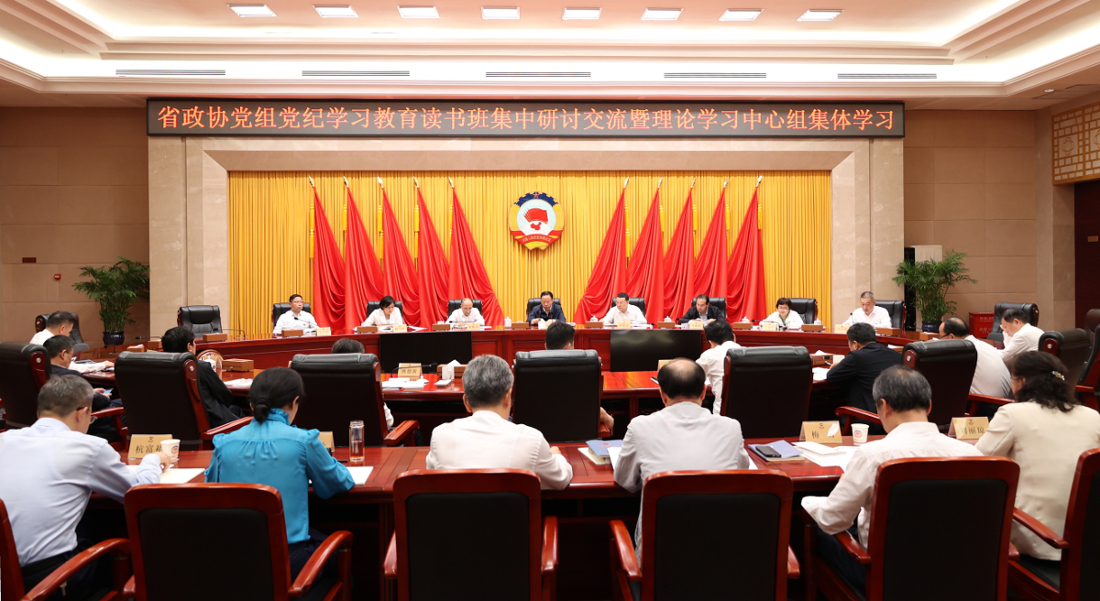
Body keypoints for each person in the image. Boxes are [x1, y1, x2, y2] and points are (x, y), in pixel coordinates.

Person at [802, 366, 982, 592]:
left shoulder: (873, 456)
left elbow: (832, 521)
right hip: (958, 573)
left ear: (884, 406)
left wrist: (810, 503)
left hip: (887, 576)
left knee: (818, 525)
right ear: (929, 406)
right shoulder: (973, 456)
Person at [0, 376, 168, 598]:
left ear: (39, 413)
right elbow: (140, 491)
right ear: (82, 413)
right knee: (111, 542)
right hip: (47, 583)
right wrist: (153, 459)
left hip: (4, 577)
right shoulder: (88, 446)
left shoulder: (4, 440)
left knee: (86, 524)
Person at [205, 368, 354, 579]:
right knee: (340, 558)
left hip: (232, 562)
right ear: (295, 402)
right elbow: (339, 483)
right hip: (289, 562)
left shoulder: (224, 443)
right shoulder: (303, 441)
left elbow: (210, 492)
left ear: (251, 404)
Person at [615, 359, 752, 555]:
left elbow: (625, 481)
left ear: (662, 394)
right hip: (722, 556)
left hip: (659, 562)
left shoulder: (639, 427)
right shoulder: (731, 427)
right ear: (704, 392)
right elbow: (741, 473)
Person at [976, 352, 1100, 563]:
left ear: (1022, 381)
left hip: (1041, 538)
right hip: (1089, 542)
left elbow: (979, 464)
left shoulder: (1012, 414)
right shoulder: (1092, 416)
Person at [425, 355, 572, 490]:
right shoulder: (533, 440)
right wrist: (557, 456)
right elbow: (561, 479)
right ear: (508, 397)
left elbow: (432, 477)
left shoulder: (440, 436)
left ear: (466, 402)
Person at [161, 327, 244, 428]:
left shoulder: (160, 369)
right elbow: (225, 396)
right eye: (194, 342)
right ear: (189, 347)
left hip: (179, 424)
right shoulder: (201, 367)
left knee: (235, 409)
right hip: (212, 425)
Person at [44, 335, 120, 442]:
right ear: (63, 354)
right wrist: (104, 397)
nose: (71, 360)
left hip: (56, 422)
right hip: (89, 423)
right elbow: (94, 402)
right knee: (128, 403)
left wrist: (90, 392)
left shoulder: (41, 373)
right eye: (71, 356)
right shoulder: (69, 375)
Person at [826, 323, 903, 425]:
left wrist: (842, 364)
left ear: (855, 344)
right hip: (896, 419)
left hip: (868, 420)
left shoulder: (857, 356)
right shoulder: (896, 355)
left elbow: (831, 376)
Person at [543, 322, 614, 432]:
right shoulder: (584, 372)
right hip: (580, 437)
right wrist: (608, 419)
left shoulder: (530, 369)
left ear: (545, 346)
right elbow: (590, 412)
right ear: (568, 347)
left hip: (539, 437)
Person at [938, 316, 1011, 399]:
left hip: (985, 403)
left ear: (952, 337)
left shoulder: (962, 351)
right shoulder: (984, 345)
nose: (940, 340)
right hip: (1003, 400)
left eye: (941, 337)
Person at [330, 338, 393, 429]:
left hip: (328, 437)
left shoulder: (320, 383)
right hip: (368, 437)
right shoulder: (368, 383)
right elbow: (388, 422)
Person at [31, 311, 112, 373]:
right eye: (69, 332)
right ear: (62, 329)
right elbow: (70, 368)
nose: (68, 335)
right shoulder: (50, 342)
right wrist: (102, 365)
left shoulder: (38, 336)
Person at [694, 319, 742, 415]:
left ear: (711, 342)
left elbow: (691, 377)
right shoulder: (749, 354)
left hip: (722, 416)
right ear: (734, 337)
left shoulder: (709, 355)